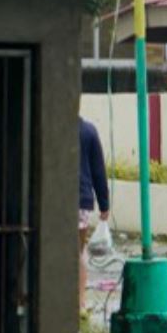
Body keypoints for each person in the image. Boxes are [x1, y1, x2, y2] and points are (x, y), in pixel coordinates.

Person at [77, 117, 111, 313]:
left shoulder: (54, 127)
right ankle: (80, 302)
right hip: (82, 200)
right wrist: (104, 205)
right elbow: (99, 171)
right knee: (79, 252)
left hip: (59, 199)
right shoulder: (88, 131)